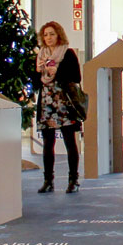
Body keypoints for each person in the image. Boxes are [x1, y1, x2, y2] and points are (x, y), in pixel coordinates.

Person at [36, 21, 82, 194]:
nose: (48, 38)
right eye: (45, 34)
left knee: (70, 142)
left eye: (52, 34)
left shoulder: (67, 54)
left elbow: (76, 77)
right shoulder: (41, 55)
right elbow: (35, 81)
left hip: (64, 104)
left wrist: (57, 71)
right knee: (48, 143)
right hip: (46, 103)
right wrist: (39, 71)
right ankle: (48, 180)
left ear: (59, 35)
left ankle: (73, 180)